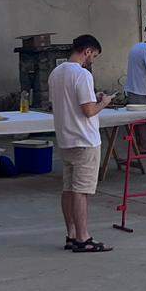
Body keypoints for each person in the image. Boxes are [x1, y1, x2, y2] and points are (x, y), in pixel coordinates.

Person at [50, 34, 113, 253]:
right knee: (81, 191)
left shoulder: (56, 73)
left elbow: (67, 102)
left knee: (68, 188)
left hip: (65, 138)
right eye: (93, 56)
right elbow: (88, 111)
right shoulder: (82, 74)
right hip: (85, 139)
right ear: (87, 51)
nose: (92, 60)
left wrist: (93, 97)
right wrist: (104, 102)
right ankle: (83, 237)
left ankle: (71, 234)